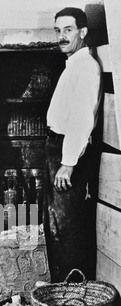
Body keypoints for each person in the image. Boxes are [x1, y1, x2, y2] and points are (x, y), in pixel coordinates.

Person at [43, 7, 102, 282]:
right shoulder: (74, 64)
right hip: (59, 149)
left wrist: (67, 164)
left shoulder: (86, 67)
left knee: (67, 230)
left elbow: (81, 118)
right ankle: (62, 295)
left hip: (68, 154)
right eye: (58, 30)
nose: (62, 36)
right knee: (56, 227)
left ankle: (73, 299)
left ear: (83, 32)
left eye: (68, 30)